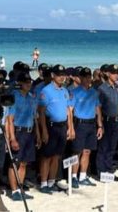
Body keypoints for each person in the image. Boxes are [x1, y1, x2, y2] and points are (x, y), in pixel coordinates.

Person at [37, 65, 75, 193]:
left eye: (63, 74)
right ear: (53, 75)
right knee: (46, 156)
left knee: (57, 156)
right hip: (51, 126)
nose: (62, 77)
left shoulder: (64, 91)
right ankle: (43, 184)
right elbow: (41, 113)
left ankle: (51, 182)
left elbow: (68, 110)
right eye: (59, 74)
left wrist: (70, 128)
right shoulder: (46, 91)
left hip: (62, 126)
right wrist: (44, 131)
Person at [5, 72, 39, 201]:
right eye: (26, 82)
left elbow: (34, 117)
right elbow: (10, 119)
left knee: (24, 163)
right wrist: (12, 138)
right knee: (15, 162)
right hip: (18, 131)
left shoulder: (31, 97)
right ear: (20, 83)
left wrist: (38, 134)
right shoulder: (15, 97)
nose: (28, 84)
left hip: (29, 132)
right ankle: (14, 191)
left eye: (29, 81)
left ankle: (20, 188)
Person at [70, 67, 101, 186]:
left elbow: (97, 108)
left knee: (87, 151)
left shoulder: (94, 92)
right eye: (86, 77)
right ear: (81, 78)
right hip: (80, 123)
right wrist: (71, 127)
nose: (88, 79)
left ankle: (83, 176)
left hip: (91, 124)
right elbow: (70, 110)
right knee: (77, 151)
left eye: (90, 77)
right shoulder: (75, 92)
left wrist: (100, 125)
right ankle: (73, 176)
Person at [96, 65, 118, 182]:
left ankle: (108, 171)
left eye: (117, 73)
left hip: (116, 121)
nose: (116, 75)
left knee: (112, 148)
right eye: (113, 73)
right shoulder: (102, 89)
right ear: (108, 74)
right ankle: (101, 173)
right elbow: (98, 107)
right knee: (103, 148)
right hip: (106, 121)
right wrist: (100, 124)